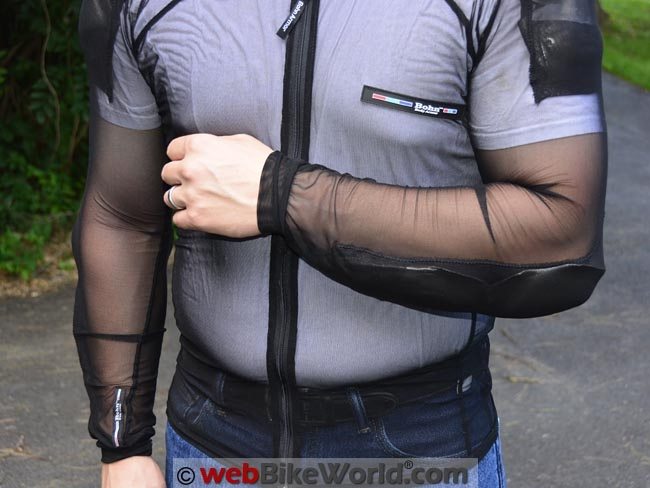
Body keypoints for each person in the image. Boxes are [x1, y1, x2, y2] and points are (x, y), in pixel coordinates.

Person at [72, 0, 607, 486]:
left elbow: (561, 235)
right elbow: (122, 217)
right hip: (215, 446)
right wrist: (122, 444)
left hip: (423, 448)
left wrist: (282, 195)